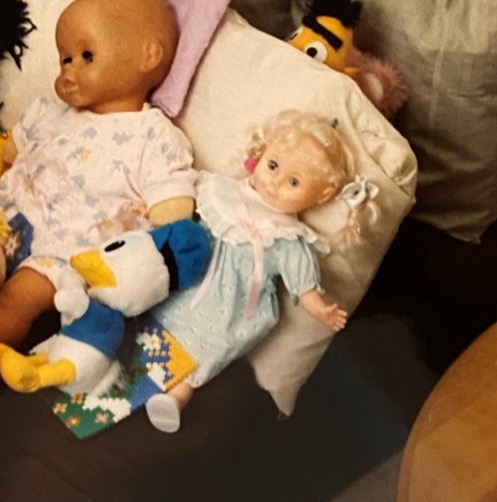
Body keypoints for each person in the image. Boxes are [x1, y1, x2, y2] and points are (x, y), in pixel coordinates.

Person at [0, 0, 196, 360]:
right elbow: (10, 153)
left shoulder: (152, 134)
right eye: (65, 59)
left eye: (86, 55)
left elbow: (172, 207)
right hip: (7, 218)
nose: (69, 70)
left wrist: (163, 228)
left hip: (65, 249)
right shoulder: (53, 112)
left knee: (19, 297)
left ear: (148, 56)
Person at [143, 110, 371, 434]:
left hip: (232, 308)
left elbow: (303, 284)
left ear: (321, 195)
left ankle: (175, 397)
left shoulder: (290, 239)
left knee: (206, 348)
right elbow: (182, 210)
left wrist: (320, 309)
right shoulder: (220, 192)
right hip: (192, 276)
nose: (275, 183)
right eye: (273, 166)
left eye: (294, 182)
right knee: (156, 306)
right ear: (261, 155)